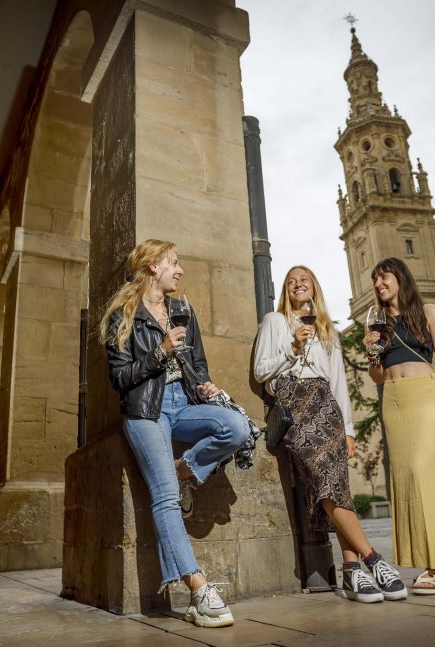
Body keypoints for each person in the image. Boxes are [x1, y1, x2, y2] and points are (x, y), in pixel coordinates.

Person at [101, 239, 250, 629]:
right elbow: (120, 378)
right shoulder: (123, 315)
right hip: (145, 413)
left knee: (235, 427)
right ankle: (198, 590)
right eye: (174, 262)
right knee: (165, 500)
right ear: (152, 266)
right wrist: (160, 352)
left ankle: (184, 469)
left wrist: (206, 385)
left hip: (182, 405)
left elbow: (198, 362)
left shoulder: (182, 310)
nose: (179, 270)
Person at [254, 266, 407, 604]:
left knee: (336, 485)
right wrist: (292, 349)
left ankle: (352, 572)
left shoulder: (327, 329)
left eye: (304, 280)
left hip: (327, 407)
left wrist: (349, 429)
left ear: (314, 288)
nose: (297, 284)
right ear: (285, 290)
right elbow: (260, 370)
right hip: (295, 403)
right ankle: (373, 559)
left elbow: (338, 380)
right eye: (291, 281)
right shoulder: (274, 322)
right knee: (325, 480)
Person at [364, 258, 435, 595]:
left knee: (426, 473)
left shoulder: (429, 311)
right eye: (375, 279)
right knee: (407, 480)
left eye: (384, 276)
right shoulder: (378, 324)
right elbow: (378, 376)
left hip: (427, 397)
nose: (379, 283)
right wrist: (372, 354)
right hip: (394, 401)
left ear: (400, 277)